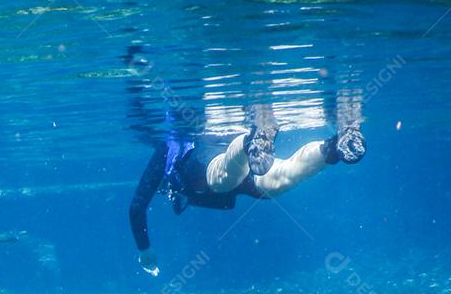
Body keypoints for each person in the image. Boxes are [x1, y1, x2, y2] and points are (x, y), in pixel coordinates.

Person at [125, 50, 366, 276]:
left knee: (221, 180)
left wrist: (144, 251)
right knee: (278, 181)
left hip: (217, 162)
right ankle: (335, 146)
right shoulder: (177, 147)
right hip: (241, 163)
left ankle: (248, 141)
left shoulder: (168, 147)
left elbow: (137, 207)